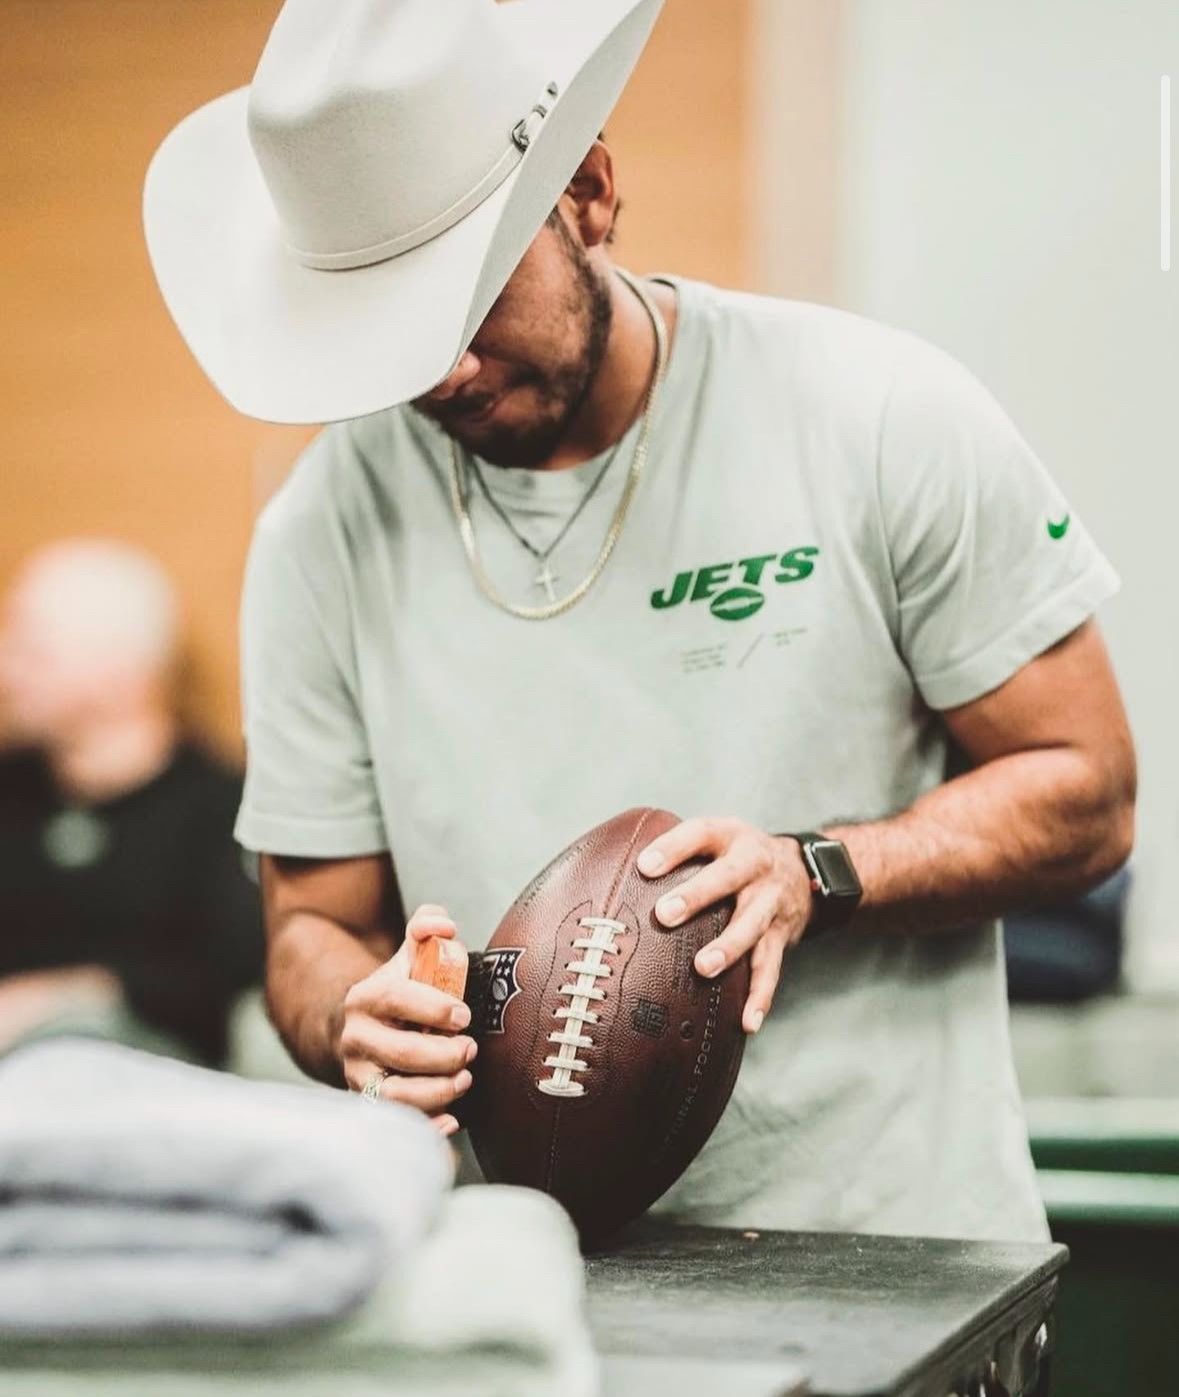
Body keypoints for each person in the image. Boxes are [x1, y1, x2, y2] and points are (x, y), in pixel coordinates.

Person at [143, 0, 1135, 1240]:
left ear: (592, 193)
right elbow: (314, 927)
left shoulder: (878, 416)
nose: (436, 371)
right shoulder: (319, 530)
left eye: (463, 302)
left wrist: (816, 870)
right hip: (519, 1265)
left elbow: (1087, 786)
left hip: (889, 1245)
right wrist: (356, 1010)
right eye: (386, 331)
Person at [0, 540, 263, 1065]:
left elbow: (223, 978)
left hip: (146, 1082)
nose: (7, 668)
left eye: (33, 650)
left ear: (124, 671)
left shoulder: (221, 807)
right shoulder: (12, 790)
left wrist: (63, 997)